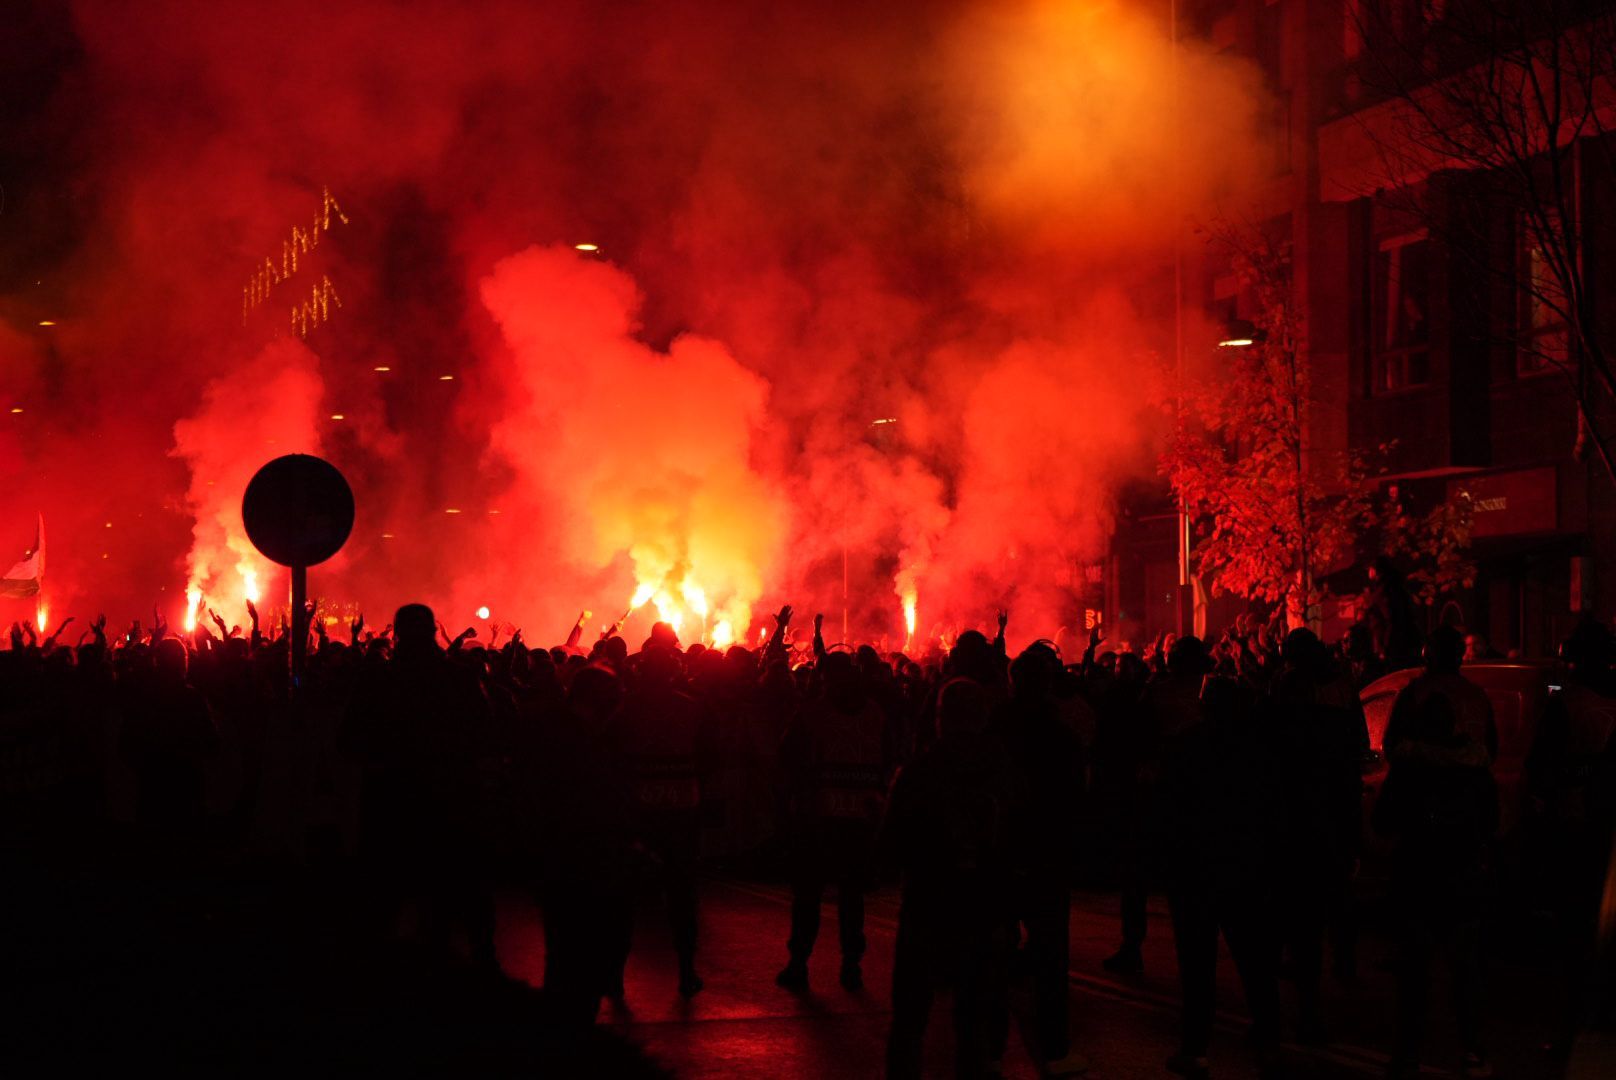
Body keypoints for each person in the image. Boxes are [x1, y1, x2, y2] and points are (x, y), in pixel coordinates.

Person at [342, 603, 496, 972]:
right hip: (448, 804)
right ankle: (473, 975)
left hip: (391, 806)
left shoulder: (377, 682)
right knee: (451, 893)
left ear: (396, 634)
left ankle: (385, 985)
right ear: (431, 633)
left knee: (385, 900)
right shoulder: (459, 680)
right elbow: (487, 734)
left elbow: (347, 741)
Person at [883, 677, 1023, 1079]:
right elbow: (1023, 839)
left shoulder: (920, 772)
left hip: (927, 909)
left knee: (910, 1021)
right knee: (973, 1023)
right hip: (983, 911)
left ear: (941, 718)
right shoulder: (1005, 772)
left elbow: (891, 846)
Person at [1161, 675, 1282, 1080]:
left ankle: (1195, 1050)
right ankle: (1269, 1041)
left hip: (1197, 869)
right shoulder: (1259, 747)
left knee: (1198, 966)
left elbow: (1170, 811)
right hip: (1245, 866)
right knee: (1255, 959)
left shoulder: (1187, 745)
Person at [1373, 694, 1498, 1079]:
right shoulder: (1476, 768)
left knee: (1414, 973)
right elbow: (1491, 821)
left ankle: (1407, 1054)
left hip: (1417, 875)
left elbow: (1383, 821)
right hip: (1461, 876)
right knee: (1464, 971)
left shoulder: (1410, 768)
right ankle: (1473, 1050)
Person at [777, 632, 892, 992]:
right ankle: (851, 966)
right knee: (851, 897)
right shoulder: (875, 712)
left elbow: (787, 757)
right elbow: (891, 757)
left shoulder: (812, 713)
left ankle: (799, 964)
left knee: (808, 896)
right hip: (860, 819)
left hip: (818, 819)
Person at [1266, 628, 1366, 1041]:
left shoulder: (1286, 692)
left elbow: (1267, 749)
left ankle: (1305, 1004)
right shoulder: (1341, 692)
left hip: (1297, 818)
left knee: (1300, 911)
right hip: (1332, 814)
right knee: (1336, 890)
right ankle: (1342, 957)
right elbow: (1359, 744)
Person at [1525, 618, 1616, 1056]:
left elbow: (1541, 770)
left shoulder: (1571, 706)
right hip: (1599, 826)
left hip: (1580, 828)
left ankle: (1578, 1028)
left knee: (1578, 932)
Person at [998, 642, 1089, 1075]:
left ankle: (990, 1046)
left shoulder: (993, 731)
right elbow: (1076, 798)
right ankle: (1054, 1046)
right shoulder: (1061, 737)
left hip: (1002, 853)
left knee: (994, 949)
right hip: (1047, 853)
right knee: (1052, 957)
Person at [1103, 635, 1209, 976]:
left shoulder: (1157, 695)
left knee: (1137, 877)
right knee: (1190, 885)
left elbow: (1135, 741)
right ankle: (1194, 962)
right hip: (1195, 800)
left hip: (1159, 797)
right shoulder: (1216, 695)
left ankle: (1133, 947)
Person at [615, 640, 711, 997]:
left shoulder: (625, 710)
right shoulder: (693, 708)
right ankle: (686, 971)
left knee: (627, 895)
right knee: (682, 894)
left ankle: (615, 976)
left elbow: (614, 760)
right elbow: (709, 758)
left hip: (639, 812)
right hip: (682, 810)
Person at [1383, 626, 1496, 766]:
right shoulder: (1477, 695)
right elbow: (1491, 750)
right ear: (1460, 655)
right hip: (1469, 785)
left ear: (1427, 654)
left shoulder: (1414, 693)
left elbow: (1392, 748)